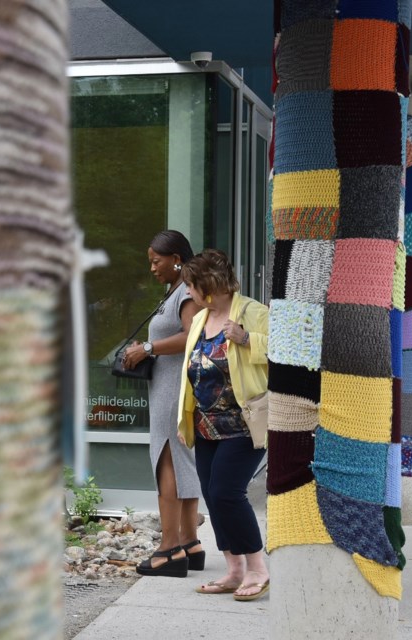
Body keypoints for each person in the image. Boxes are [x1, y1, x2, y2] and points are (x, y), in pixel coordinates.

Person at [176, 249, 270, 600]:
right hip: (205, 427)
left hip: (242, 425)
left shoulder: (253, 313)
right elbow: (193, 370)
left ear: (208, 285)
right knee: (214, 499)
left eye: (190, 285)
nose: (187, 292)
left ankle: (258, 569)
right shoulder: (202, 319)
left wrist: (247, 338)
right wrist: (185, 419)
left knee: (226, 494)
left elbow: (285, 354)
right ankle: (233, 570)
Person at [121, 230, 202, 577]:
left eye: (157, 261)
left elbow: (191, 336)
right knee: (182, 461)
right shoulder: (177, 290)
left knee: (166, 460)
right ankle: (190, 543)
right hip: (171, 386)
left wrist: (148, 349)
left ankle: (168, 548)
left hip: (172, 389)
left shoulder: (185, 292)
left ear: (177, 259)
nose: (152, 268)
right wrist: (148, 346)